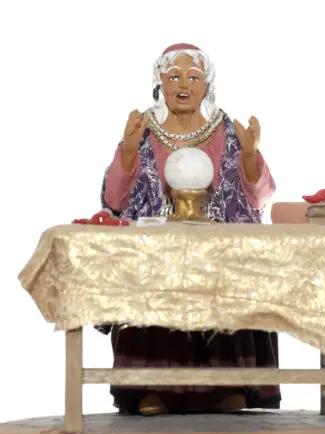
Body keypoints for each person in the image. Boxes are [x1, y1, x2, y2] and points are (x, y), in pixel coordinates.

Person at [97, 43, 281, 415]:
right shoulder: (143, 130)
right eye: (175, 76)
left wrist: (249, 156)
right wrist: (128, 152)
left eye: (194, 77)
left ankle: (226, 388)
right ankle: (153, 390)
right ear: (160, 83)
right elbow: (115, 199)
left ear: (206, 85)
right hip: (157, 244)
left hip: (217, 242)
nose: (184, 84)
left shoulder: (226, 130)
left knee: (229, 276)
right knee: (151, 279)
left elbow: (260, 196)